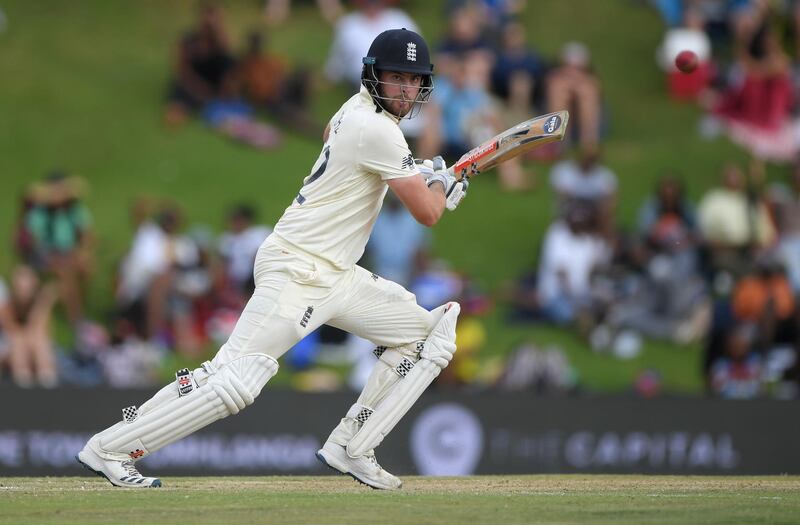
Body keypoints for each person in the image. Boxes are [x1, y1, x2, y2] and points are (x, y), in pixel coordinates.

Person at [77, 28, 468, 491]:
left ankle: (353, 445)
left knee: (426, 337)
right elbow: (427, 213)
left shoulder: (354, 111)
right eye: (395, 77)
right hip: (299, 268)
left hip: (336, 275)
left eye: (412, 80)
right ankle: (112, 448)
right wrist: (441, 185)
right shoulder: (378, 129)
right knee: (234, 380)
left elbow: (332, 138)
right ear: (373, 77)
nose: (404, 90)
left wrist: (413, 174)